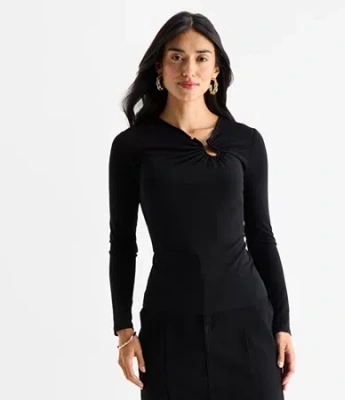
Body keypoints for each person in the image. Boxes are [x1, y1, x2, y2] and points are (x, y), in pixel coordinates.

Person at [108, 10, 296, 400]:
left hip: (247, 325)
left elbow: (261, 236)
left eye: (200, 58)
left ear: (216, 70)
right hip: (169, 327)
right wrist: (124, 330)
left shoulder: (246, 142)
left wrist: (283, 324)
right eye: (176, 57)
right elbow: (123, 242)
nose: (188, 69)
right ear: (159, 66)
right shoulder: (132, 147)